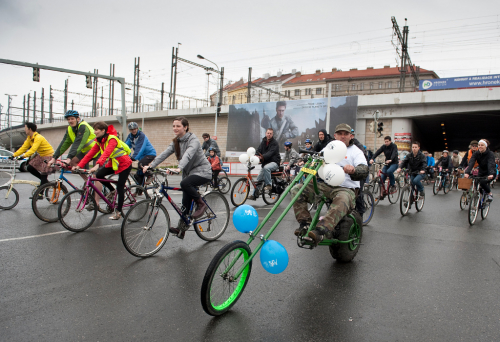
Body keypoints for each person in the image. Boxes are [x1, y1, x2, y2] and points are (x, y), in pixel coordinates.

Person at [291, 123, 368, 245]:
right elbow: (316, 161)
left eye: (346, 134)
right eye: (340, 134)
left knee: (342, 199)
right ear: (335, 136)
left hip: (345, 188)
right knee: (297, 189)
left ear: (351, 136)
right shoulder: (329, 148)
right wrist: (309, 166)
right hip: (326, 185)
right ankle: (305, 224)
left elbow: (364, 169)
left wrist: (354, 170)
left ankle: (321, 231)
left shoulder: (356, 152)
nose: (343, 136)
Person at [143, 117, 212, 239]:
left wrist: (179, 168)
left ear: (185, 127)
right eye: (173, 126)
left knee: (185, 183)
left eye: (178, 126)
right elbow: (165, 153)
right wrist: (151, 165)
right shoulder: (176, 141)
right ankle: (181, 229)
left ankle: (201, 204)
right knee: (185, 203)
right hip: (188, 174)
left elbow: (188, 154)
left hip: (202, 171)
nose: (175, 128)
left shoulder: (193, 140)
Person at [74, 122, 132, 220]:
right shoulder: (99, 141)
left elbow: (106, 153)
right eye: (94, 129)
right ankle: (112, 190)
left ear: (103, 130)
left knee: (120, 187)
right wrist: (79, 165)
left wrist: (97, 165)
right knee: (99, 175)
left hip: (124, 164)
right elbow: (89, 154)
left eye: (96, 130)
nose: (94, 132)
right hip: (114, 163)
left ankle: (118, 212)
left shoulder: (112, 139)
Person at [47, 110, 102, 203]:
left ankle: (96, 202)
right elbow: (64, 143)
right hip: (86, 152)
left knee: (96, 176)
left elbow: (78, 143)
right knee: (73, 162)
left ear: (78, 119)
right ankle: (87, 181)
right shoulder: (70, 129)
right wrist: (54, 158)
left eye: (72, 119)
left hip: (98, 151)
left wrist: (68, 158)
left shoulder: (83, 126)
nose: (70, 121)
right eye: (68, 119)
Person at [10, 122, 54, 187]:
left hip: (48, 155)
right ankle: (44, 182)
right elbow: (23, 148)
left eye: (25, 128)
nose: (25, 130)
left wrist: (23, 156)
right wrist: (14, 155)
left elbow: (33, 150)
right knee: (29, 167)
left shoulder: (38, 137)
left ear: (29, 129)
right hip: (41, 155)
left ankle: (40, 194)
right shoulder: (29, 138)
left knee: (43, 173)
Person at [248, 128, 281, 200]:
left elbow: (270, 153)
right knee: (259, 178)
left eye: (270, 133)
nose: (269, 135)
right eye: (268, 133)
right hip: (266, 163)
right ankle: (254, 195)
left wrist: (262, 157)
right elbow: (258, 150)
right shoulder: (263, 141)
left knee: (266, 168)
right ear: (266, 133)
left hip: (274, 162)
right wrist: (256, 155)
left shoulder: (275, 143)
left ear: (272, 135)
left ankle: (269, 185)